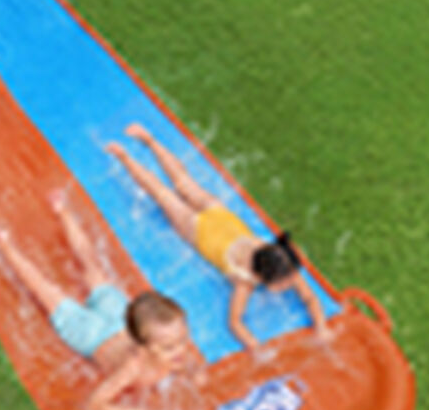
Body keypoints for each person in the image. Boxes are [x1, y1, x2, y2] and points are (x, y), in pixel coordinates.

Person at [106, 123, 330, 351]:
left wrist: (321, 327)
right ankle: (125, 157)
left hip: (218, 213)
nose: (293, 283)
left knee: (183, 182)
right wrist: (257, 347)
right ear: (266, 279)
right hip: (196, 230)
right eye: (286, 282)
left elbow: (311, 298)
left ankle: (149, 140)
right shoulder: (244, 283)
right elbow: (234, 322)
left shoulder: (279, 258)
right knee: (163, 194)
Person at [0, 193, 203, 410]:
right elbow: (95, 405)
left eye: (183, 340)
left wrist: (193, 371)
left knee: (93, 265)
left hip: (118, 317)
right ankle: (5, 245)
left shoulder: (170, 348)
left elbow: (183, 357)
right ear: (142, 348)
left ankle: (62, 211)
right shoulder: (132, 368)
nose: (180, 351)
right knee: (47, 292)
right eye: (169, 347)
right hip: (93, 336)